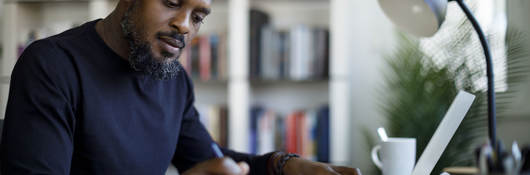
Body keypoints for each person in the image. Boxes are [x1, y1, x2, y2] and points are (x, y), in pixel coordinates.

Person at [0, 0, 362, 174]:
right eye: (172, 2)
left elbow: (211, 163)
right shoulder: (51, 65)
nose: (184, 26)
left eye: (198, 16)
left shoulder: (174, 83)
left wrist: (283, 167)